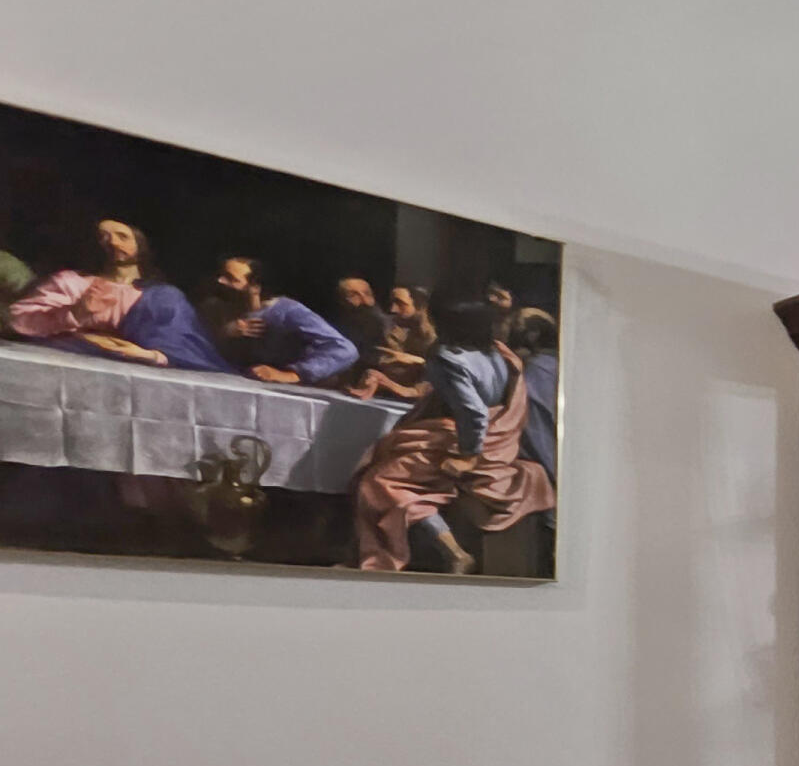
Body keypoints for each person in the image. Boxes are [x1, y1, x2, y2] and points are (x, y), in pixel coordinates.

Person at [348, 296, 553, 573]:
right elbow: (466, 387)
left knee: (376, 481)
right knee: (389, 458)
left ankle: (453, 553)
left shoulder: (447, 358)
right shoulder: (500, 352)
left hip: (467, 443)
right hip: (497, 440)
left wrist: (468, 457)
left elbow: (475, 413)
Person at [3, 218, 231, 372]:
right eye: (103, 237)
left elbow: (189, 348)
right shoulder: (71, 282)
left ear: (140, 245)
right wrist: (75, 313)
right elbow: (20, 320)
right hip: (71, 365)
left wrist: (150, 355)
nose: (112, 242)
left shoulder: (165, 296)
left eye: (122, 236)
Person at [202, 256, 358, 385]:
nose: (220, 281)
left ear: (255, 286)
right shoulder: (215, 309)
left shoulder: (287, 311)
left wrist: (292, 374)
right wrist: (224, 333)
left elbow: (345, 350)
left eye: (231, 278)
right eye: (221, 275)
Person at [505, 307, 559, 481]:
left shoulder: (536, 372)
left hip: (544, 469)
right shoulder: (556, 366)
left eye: (515, 325)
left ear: (533, 334)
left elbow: (537, 429)